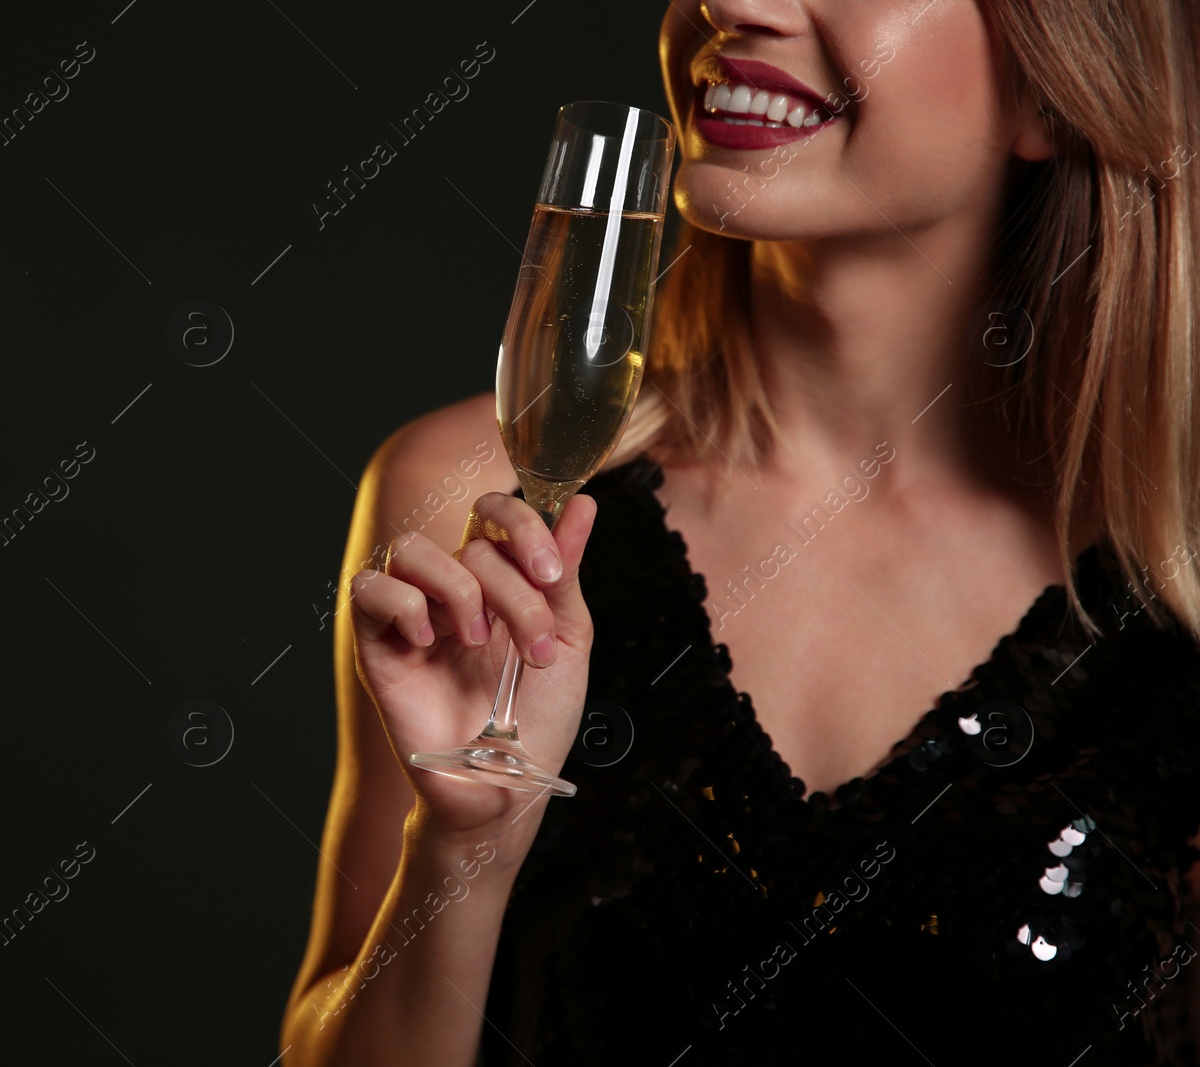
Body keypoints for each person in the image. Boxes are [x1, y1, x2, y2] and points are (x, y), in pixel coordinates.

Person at [282, 0, 1200, 1062]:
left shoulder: (1176, 584)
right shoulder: (477, 500)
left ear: (1054, 82)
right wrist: (462, 851)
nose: (731, 2)